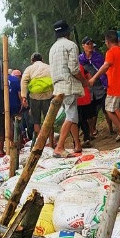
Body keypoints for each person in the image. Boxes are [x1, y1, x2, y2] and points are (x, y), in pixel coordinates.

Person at [48, 20, 89, 157]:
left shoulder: (53, 48)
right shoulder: (71, 45)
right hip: (69, 84)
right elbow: (74, 69)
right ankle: (59, 147)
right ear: (67, 32)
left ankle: (77, 144)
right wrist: (84, 81)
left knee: (71, 115)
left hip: (58, 85)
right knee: (71, 116)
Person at [79, 37, 107, 140]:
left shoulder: (98, 57)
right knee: (91, 113)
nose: (90, 46)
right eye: (87, 44)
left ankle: (112, 128)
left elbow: (103, 70)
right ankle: (91, 130)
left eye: (91, 43)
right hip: (88, 90)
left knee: (106, 109)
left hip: (100, 86)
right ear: (83, 46)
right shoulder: (80, 59)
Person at [20, 52, 53, 141]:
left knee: (36, 122)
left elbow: (24, 81)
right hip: (48, 96)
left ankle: (39, 144)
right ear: (42, 60)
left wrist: (24, 97)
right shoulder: (49, 67)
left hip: (35, 97)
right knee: (49, 121)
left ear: (32, 61)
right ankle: (51, 143)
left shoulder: (29, 69)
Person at [7, 68, 24, 145]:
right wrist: (21, 103)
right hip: (15, 104)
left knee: (9, 124)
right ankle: (19, 143)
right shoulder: (15, 80)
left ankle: (11, 143)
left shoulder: (1, 80)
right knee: (18, 123)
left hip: (6, 105)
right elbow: (19, 94)